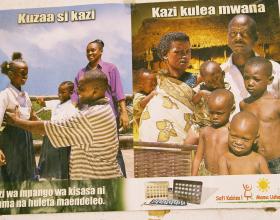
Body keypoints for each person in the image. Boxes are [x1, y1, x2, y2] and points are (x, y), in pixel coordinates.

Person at [5, 68, 122, 180]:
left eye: (81, 89)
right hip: (100, 180)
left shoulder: (92, 115)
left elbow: (47, 127)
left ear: (95, 91)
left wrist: (15, 121)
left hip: (99, 182)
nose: (77, 91)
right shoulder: (102, 108)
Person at [71, 39, 128, 177]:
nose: (90, 53)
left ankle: (122, 180)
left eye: (93, 50)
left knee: (113, 150)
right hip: (87, 118)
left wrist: (124, 112)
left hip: (106, 117)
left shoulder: (111, 68)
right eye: (88, 51)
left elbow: (118, 92)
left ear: (101, 51)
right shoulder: (81, 73)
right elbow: (75, 95)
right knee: (90, 149)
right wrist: (71, 112)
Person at [139, 32, 195, 146]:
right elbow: (138, 106)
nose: (184, 56)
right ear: (165, 54)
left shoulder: (197, 82)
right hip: (154, 148)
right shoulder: (155, 81)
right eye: (178, 52)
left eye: (187, 51)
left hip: (189, 145)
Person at [221, 14, 280, 114]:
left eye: (244, 33)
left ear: (256, 37)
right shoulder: (219, 73)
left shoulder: (275, 70)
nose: (238, 38)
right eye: (233, 33)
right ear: (227, 38)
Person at [0, 52, 36, 182]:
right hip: (11, 141)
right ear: (11, 75)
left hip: (26, 139)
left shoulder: (25, 96)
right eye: (22, 73)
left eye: (27, 73)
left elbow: (31, 117)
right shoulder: (4, 95)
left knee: (27, 176)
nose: (25, 76)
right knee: (13, 176)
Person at [240, 57, 280, 174]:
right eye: (246, 78)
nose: (250, 83)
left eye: (256, 79)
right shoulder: (244, 105)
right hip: (254, 161)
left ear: (270, 80)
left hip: (277, 162)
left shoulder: (276, 104)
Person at [37, 81, 78, 179]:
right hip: (50, 137)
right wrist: (41, 101)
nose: (59, 94)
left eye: (63, 92)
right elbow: (44, 104)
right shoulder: (56, 103)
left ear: (71, 93)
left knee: (62, 164)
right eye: (59, 92)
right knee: (47, 161)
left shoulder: (73, 107)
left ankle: (62, 183)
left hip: (62, 139)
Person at [185, 61, 230, 145]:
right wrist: (201, 93)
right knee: (189, 143)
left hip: (218, 126)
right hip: (199, 124)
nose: (214, 84)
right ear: (203, 80)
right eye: (209, 82)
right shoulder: (201, 88)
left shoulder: (227, 89)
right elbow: (193, 102)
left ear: (223, 74)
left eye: (217, 78)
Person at [191, 89, 234, 176]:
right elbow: (198, 158)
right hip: (206, 173)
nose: (215, 117)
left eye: (219, 113)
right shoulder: (205, 131)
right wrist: (193, 177)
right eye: (211, 113)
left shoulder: (232, 132)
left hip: (225, 176)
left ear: (232, 109)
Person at [133, 68, 157, 141]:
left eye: (155, 81)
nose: (154, 83)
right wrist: (152, 94)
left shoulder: (149, 94)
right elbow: (141, 104)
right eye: (150, 81)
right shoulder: (139, 95)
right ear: (140, 85)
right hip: (144, 126)